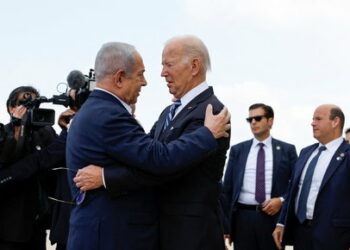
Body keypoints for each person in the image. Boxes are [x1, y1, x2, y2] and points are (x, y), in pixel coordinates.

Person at [66, 41, 230, 250]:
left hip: (189, 236)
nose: (156, 76)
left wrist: (106, 177)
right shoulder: (110, 114)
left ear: (194, 66)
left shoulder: (212, 113)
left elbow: (163, 167)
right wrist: (206, 135)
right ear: (119, 78)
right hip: (111, 235)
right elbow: (156, 159)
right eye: (140, 74)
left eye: (168, 65)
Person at [273, 104, 349, 250]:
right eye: (313, 119)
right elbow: (292, 191)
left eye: (318, 119)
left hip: (335, 238)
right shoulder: (305, 153)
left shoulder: (347, 154)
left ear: (335, 121)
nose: (312, 123)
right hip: (301, 235)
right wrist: (281, 223)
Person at [222, 103, 297, 250]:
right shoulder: (238, 150)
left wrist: (281, 200)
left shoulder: (287, 150)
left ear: (270, 121)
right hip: (242, 220)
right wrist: (227, 226)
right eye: (250, 120)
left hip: (273, 219)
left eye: (257, 118)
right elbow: (227, 189)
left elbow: (296, 184)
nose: (253, 122)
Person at [0, 86, 58, 250]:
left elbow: (57, 158)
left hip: (38, 224)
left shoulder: (45, 133)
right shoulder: (4, 133)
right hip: (9, 229)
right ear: (12, 108)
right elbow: (8, 160)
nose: (30, 109)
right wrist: (18, 127)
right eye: (25, 104)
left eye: (34, 105)